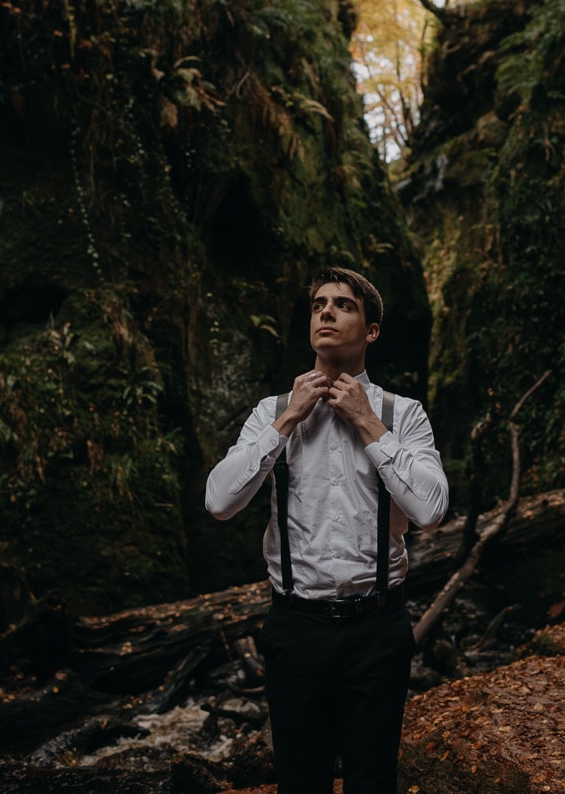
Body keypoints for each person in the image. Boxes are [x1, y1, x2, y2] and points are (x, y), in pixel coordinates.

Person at [205, 266, 449, 794]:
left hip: (377, 627)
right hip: (296, 627)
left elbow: (432, 509)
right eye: (318, 305)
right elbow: (219, 502)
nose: (326, 313)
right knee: (300, 782)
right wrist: (287, 421)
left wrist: (368, 424)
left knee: (372, 780)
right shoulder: (271, 412)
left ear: (372, 330)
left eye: (343, 305)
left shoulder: (402, 414)